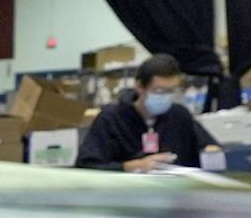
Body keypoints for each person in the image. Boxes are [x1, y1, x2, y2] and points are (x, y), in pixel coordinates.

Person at [77, 54, 218, 171]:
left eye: (172, 91)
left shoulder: (179, 115)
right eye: (159, 91)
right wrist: (131, 166)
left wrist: (212, 152)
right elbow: (86, 166)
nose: (166, 97)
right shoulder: (111, 119)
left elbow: (206, 145)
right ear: (139, 87)